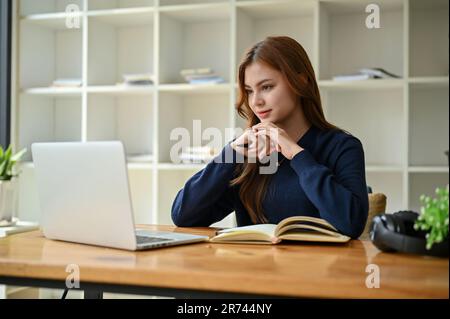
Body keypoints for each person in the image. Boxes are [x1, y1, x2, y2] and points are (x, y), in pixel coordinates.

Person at [171, 36, 368, 238]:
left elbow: (351, 223)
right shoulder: (248, 153)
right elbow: (182, 215)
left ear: (301, 80)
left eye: (266, 87)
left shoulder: (342, 146)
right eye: (249, 91)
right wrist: (228, 155)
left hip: (317, 268)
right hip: (255, 267)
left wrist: (297, 155)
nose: (256, 102)